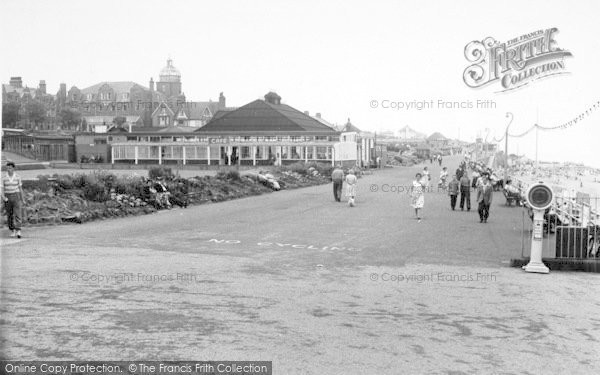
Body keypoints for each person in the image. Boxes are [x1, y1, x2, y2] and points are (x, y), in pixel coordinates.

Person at [1, 161, 25, 238]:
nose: (8, 169)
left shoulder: (18, 177)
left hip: (16, 195)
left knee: (18, 213)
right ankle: (12, 230)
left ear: (13, 168)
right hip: (8, 196)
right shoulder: (3, 177)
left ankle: (18, 230)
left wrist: (22, 199)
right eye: (7, 168)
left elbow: (20, 189)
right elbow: (1, 188)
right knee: (9, 214)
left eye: (10, 168)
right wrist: (3, 197)